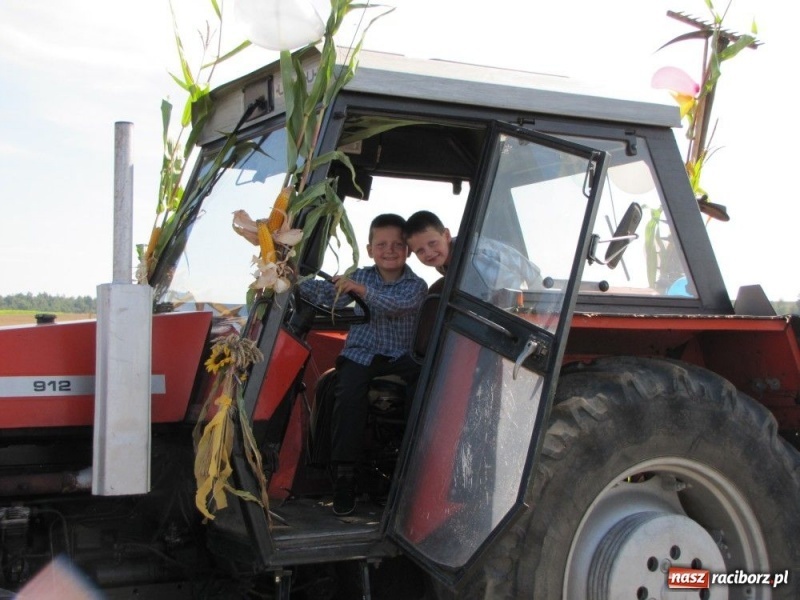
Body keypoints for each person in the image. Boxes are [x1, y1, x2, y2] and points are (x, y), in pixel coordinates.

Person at [299, 213, 427, 515]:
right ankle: (344, 477)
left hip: (400, 356)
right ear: (370, 250)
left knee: (426, 385)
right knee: (347, 391)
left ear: (408, 250)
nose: (390, 250)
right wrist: (294, 280)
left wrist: (359, 290)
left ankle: (413, 471)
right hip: (363, 354)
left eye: (397, 244)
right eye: (381, 244)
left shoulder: (416, 285)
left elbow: (395, 306)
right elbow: (332, 296)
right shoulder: (361, 275)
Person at [403, 210, 541, 300]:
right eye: (420, 251)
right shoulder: (443, 262)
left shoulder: (477, 256)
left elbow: (518, 277)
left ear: (446, 235)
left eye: (432, 243)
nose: (429, 253)